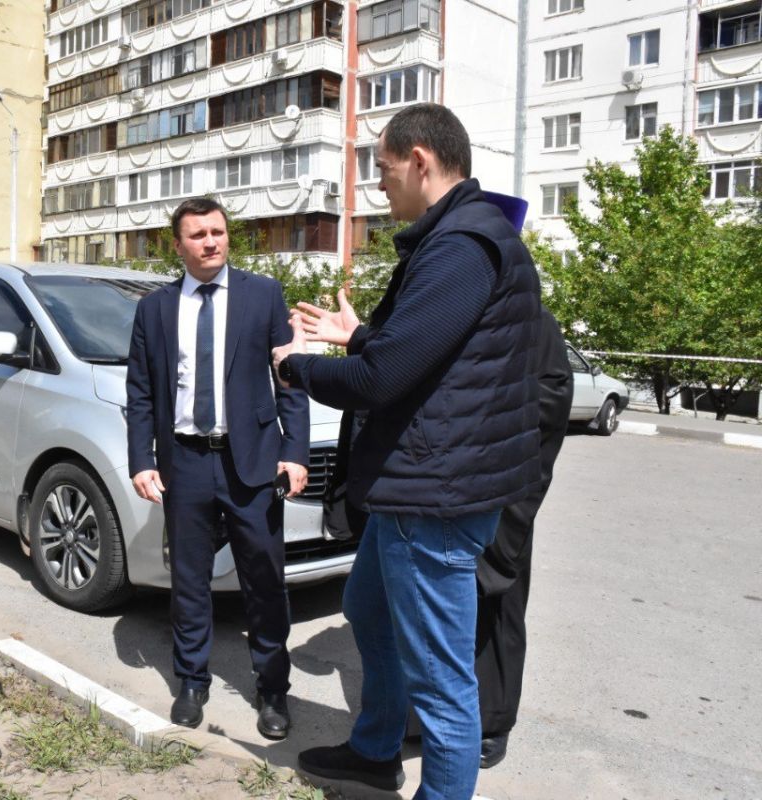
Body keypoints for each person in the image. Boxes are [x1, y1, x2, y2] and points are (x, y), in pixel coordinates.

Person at [271, 102, 542, 798]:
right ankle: (375, 748)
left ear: (420, 161)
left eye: (385, 171)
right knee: (365, 609)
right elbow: (430, 356)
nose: (379, 188)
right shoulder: (458, 239)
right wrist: (359, 334)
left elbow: (381, 379)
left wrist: (295, 367)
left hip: (434, 498)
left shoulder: (461, 247)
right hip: (414, 487)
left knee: (443, 683)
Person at [125, 197, 310, 740]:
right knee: (189, 579)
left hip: (250, 461)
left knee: (264, 580)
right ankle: (190, 680)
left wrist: (294, 451)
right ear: (177, 245)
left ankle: (273, 688)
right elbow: (140, 390)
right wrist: (142, 458)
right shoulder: (155, 308)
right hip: (184, 461)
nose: (211, 242)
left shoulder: (262, 295)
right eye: (198, 235)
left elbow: (289, 380)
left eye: (218, 232)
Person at [474, 308, 573, 769]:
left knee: (498, 606)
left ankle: (492, 721)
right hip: (437, 490)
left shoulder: (532, 318)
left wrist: (482, 404)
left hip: (503, 489)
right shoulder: (443, 307)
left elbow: (553, 396)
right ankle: (420, 721)